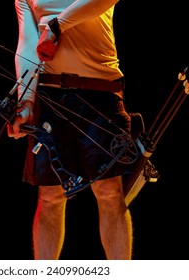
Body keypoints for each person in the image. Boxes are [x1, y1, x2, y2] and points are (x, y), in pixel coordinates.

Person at [7, 0, 134, 260]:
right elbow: (28, 43)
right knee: (50, 195)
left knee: (109, 192)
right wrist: (26, 100)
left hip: (101, 91)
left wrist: (56, 25)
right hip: (52, 97)